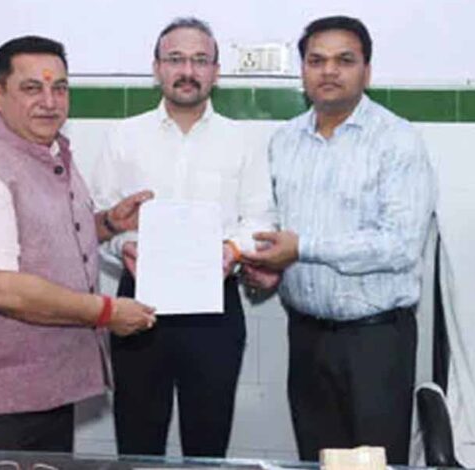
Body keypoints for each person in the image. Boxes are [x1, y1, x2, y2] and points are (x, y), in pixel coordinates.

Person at [0, 35, 157, 452]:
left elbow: (40, 239)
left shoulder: (52, 153)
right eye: (32, 88)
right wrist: (106, 312)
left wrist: (107, 224)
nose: (49, 102)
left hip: (47, 393)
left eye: (60, 88)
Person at [241, 16, 436, 465]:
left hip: (376, 340)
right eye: (316, 60)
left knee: (374, 461)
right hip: (306, 336)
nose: (329, 71)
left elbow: (400, 245)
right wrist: (267, 269)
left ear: (367, 71)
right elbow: (275, 229)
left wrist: (302, 248)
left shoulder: (397, 140)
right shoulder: (284, 141)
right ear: (303, 70)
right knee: (318, 459)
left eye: (344, 60)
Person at [91, 17, 275, 457]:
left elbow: (260, 219)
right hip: (138, 305)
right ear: (157, 68)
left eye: (199, 60)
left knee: (208, 445)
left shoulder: (242, 141)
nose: (187, 71)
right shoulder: (123, 136)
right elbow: (100, 219)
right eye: (175, 59)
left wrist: (233, 250)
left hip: (215, 308)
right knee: (137, 443)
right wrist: (122, 246)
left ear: (216, 71)